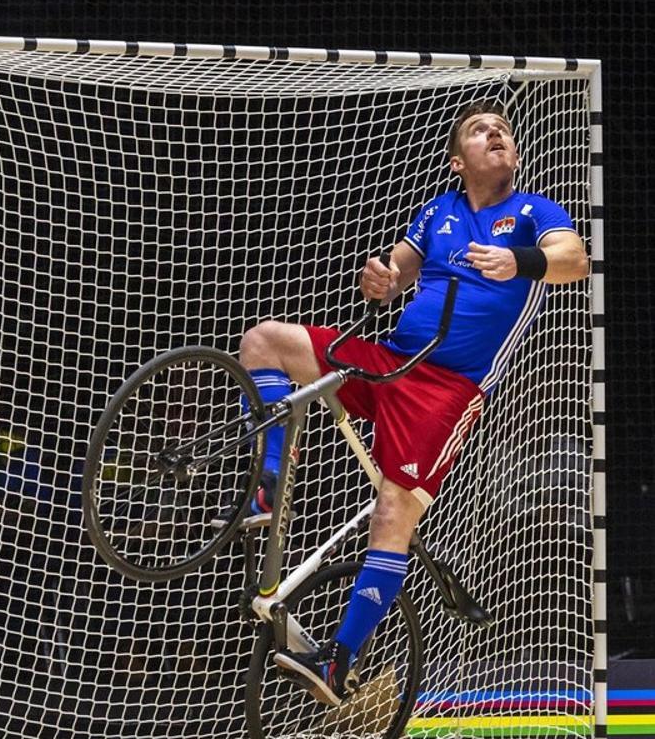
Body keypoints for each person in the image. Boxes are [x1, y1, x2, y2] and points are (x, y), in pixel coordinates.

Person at [239, 100, 589, 706]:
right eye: (482, 131)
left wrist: (519, 261)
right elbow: (395, 274)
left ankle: (338, 660)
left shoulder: (534, 212)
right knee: (264, 341)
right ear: (459, 161)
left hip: (448, 390)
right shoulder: (437, 212)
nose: (496, 134)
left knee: (394, 509)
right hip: (389, 363)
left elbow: (576, 259)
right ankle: (270, 483)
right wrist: (381, 281)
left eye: (503, 130)